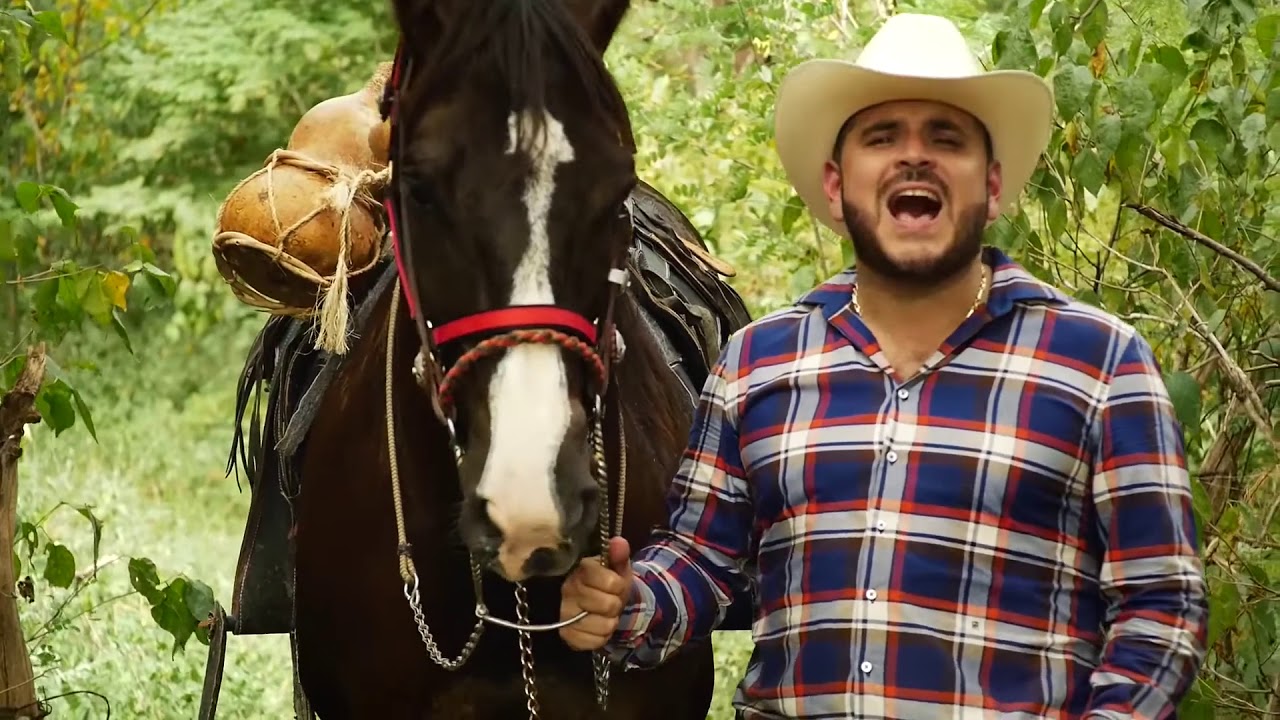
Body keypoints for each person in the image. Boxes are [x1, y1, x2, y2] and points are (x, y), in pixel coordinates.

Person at [558, 12, 1208, 719]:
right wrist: (629, 603)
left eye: (946, 137)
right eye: (882, 136)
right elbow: (702, 559)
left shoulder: (1100, 364)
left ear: (992, 186)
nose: (914, 157)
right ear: (837, 187)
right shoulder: (758, 363)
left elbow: (1160, 606)